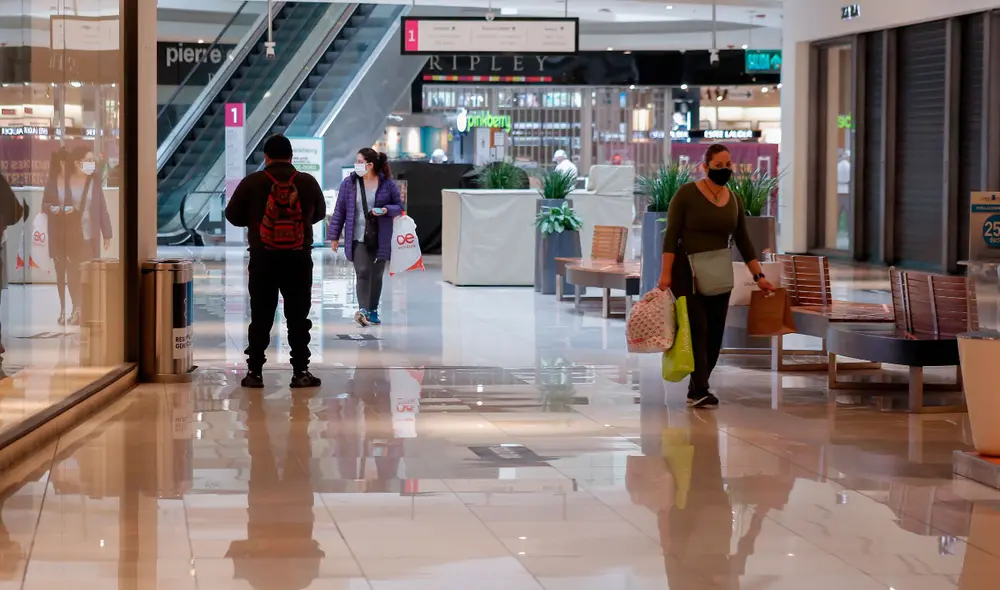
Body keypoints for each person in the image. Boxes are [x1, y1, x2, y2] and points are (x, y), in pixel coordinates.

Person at [657, 144, 775, 408]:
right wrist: (665, 275)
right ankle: (701, 389)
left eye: (728, 165)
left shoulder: (734, 200)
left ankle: (696, 387)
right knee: (698, 328)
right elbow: (671, 236)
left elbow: (744, 241)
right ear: (705, 166)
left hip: (719, 272)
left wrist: (759, 276)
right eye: (718, 165)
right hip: (687, 271)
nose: (724, 170)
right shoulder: (686, 194)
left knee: (715, 332)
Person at [225, 134, 326, 389]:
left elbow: (232, 215)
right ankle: (300, 372)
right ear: (291, 156)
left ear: (266, 157)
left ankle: (254, 373)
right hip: (298, 258)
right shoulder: (306, 182)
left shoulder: (252, 182)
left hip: (263, 259)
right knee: (298, 317)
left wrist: (256, 220)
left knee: (261, 316)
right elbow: (320, 213)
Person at [328, 148, 404, 327]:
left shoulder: (387, 184)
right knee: (362, 271)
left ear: (370, 165)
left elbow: (399, 207)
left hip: (381, 236)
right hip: (357, 236)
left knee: (376, 274)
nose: (356, 165)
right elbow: (339, 211)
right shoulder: (349, 184)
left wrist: (385, 210)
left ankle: (373, 310)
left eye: (360, 162)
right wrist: (334, 236)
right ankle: (362, 310)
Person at [42, 147, 113, 326]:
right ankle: (77, 309)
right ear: (76, 163)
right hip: (72, 235)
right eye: (88, 160)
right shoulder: (64, 181)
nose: (92, 164)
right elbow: (51, 203)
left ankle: (89, 310)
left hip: (90, 235)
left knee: (89, 274)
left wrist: (107, 234)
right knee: (73, 274)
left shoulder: (94, 181)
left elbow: (102, 208)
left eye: (92, 160)